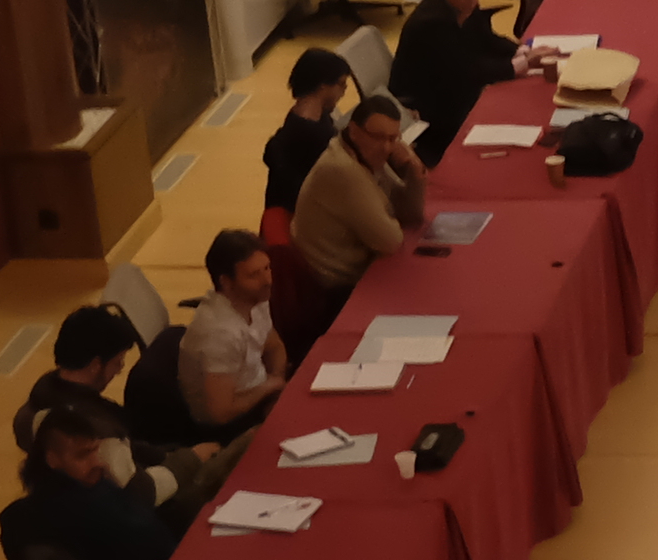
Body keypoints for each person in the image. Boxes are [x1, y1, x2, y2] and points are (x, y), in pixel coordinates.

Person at [7, 400, 180, 560]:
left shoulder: (65, 493)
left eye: (95, 451)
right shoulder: (80, 507)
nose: (97, 462)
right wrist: (116, 492)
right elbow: (152, 542)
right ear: (52, 459)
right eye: (83, 455)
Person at [290, 94, 433, 300]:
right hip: (336, 288)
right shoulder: (343, 170)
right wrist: (390, 217)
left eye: (393, 139)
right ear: (354, 131)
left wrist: (413, 167)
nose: (386, 147)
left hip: (357, 269)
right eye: (378, 137)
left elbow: (410, 214)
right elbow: (390, 241)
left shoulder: (365, 154)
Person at [390, 0, 524, 160]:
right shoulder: (432, 23)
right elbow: (466, 72)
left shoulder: (461, 2)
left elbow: (485, 38)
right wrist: (515, 66)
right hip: (430, 108)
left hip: (452, 87)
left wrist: (520, 50)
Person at [171, 229, 288, 444]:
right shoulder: (219, 334)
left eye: (267, 268)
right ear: (226, 282)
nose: (268, 280)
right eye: (254, 275)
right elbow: (220, 413)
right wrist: (270, 387)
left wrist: (276, 384)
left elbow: (274, 346)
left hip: (260, 397)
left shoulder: (255, 299)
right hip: (231, 428)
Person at [22, 301, 145, 456]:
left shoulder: (34, 406)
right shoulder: (101, 428)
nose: (120, 369)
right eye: (117, 361)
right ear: (95, 365)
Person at [257, 47, 358, 229]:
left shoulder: (310, 115)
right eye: (341, 84)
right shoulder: (310, 131)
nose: (344, 90)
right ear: (322, 85)